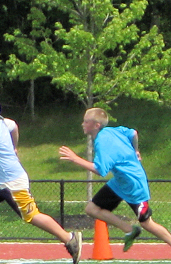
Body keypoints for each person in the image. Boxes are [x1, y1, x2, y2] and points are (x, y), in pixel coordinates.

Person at [0, 97, 82, 264]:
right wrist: (14, 146)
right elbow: (14, 126)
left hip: (11, 183)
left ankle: (69, 238)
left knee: (31, 216)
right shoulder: (3, 123)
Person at [59, 107, 171, 251]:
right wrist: (136, 150)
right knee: (91, 209)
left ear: (96, 125)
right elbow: (133, 133)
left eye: (86, 122)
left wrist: (75, 159)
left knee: (147, 223)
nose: (83, 124)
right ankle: (129, 230)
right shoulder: (112, 130)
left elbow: (100, 170)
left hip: (133, 184)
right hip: (119, 182)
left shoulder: (102, 142)